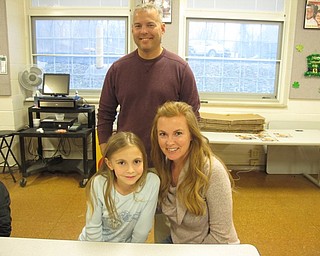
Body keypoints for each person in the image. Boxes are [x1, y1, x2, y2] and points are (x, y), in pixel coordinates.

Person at [97, 3, 200, 165]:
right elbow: (105, 114)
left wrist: (183, 159)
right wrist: (107, 151)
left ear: (162, 28)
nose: (144, 31)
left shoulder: (180, 69)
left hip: (168, 160)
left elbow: (193, 118)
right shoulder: (118, 69)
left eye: (150, 25)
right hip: (128, 160)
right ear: (132, 30)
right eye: (138, 26)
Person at [150, 101, 240, 244]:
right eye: (163, 134)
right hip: (179, 242)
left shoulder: (212, 171)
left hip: (214, 248)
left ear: (191, 134)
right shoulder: (165, 166)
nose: (169, 142)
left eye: (178, 133)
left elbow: (221, 236)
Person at [79, 132, 160, 242]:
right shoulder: (99, 183)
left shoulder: (152, 183)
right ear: (109, 164)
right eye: (122, 163)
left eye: (137, 161)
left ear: (144, 160)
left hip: (125, 249)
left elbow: (142, 231)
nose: (130, 170)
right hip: (94, 246)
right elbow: (93, 229)